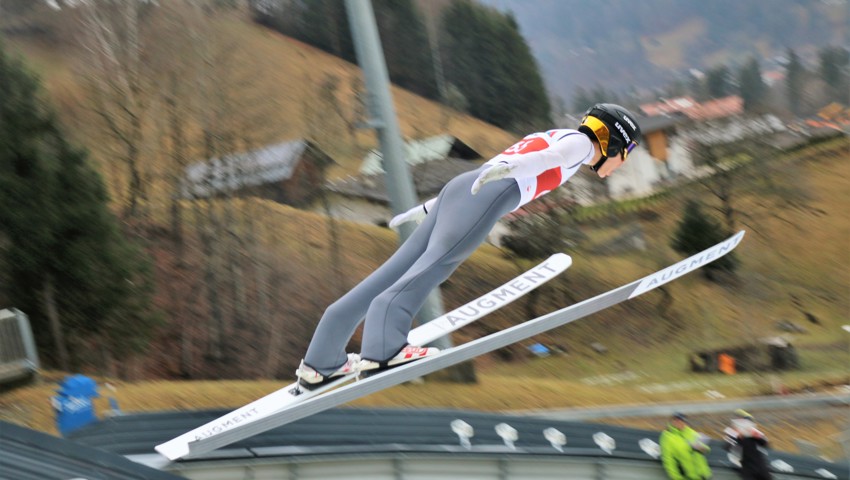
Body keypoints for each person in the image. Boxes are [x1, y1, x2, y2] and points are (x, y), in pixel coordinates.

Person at [295, 103, 642, 386]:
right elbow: (549, 159)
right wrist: (512, 167)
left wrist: (432, 207)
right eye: (624, 154)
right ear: (610, 140)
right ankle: (383, 349)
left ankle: (321, 360)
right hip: (492, 191)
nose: (621, 163)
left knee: (394, 271)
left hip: (464, 188)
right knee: (437, 264)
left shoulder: (557, 134)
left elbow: (501, 167)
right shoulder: (580, 145)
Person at [659, 412, 713, 480]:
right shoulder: (667, 436)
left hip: (704, 474)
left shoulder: (691, 432)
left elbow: (705, 448)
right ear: (672, 421)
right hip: (689, 476)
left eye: (682, 421)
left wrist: (703, 448)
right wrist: (676, 477)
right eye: (676, 420)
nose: (679, 423)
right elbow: (668, 460)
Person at [723, 409, 773, 480]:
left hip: (760, 466)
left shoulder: (752, 434)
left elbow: (766, 444)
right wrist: (736, 435)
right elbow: (727, 447)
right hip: (747, 468)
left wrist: (757, 436)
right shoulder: (733, 434)